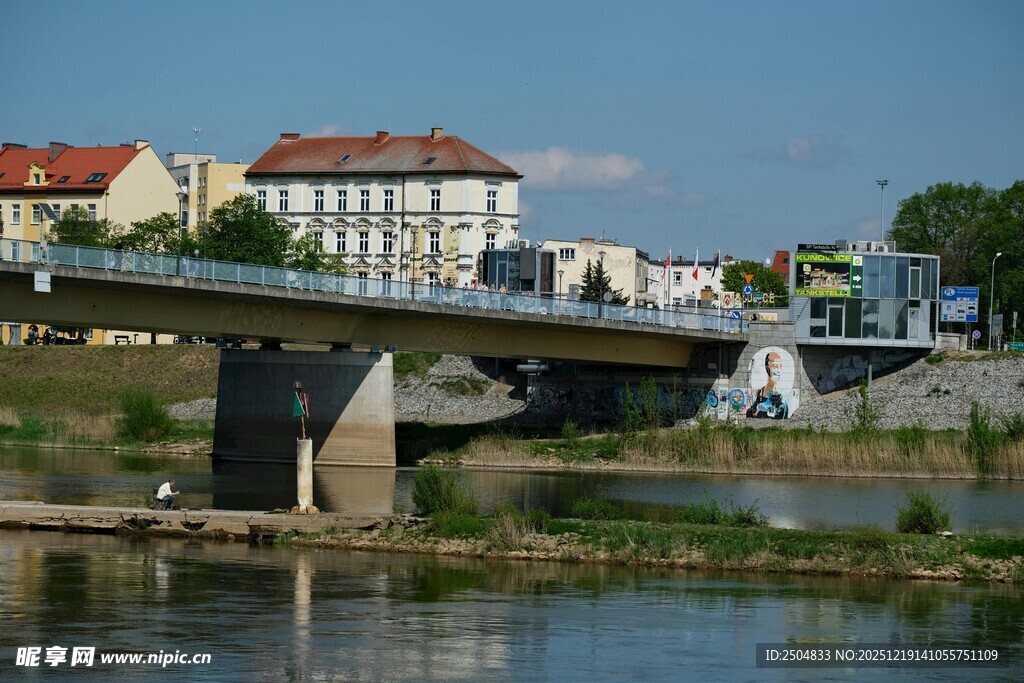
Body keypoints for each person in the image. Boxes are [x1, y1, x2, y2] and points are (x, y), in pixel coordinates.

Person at [746, 351, 789, 419]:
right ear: (767, 368)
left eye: (780, 366)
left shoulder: (782, 394)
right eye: (775, 366)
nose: (778, 370)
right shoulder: (760, 392)